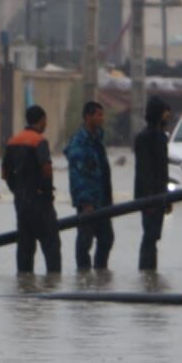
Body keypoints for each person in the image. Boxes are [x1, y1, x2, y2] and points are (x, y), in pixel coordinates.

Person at [2, 104, 61, 274]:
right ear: (42, 120)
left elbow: (5, 173)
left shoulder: (12, 141)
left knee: (25, 247)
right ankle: (53, 286)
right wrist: (47, 192)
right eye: (46, 121)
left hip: (21, 203)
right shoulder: (39, 141)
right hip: (40, 202)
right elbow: (46, 168)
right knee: (51, 246)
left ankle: (24, 286)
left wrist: (16, 190)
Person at [65, 100, 114, 270]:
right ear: (88, 117)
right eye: (99, 115)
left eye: (102, 115)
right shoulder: (80, 143)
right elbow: (77, 175)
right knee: (85, 241)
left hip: (103, 200)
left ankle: (100, 274)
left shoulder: (97, 140)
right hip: (89, 202)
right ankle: (83, 276)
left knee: (107, 238)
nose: (102, 118)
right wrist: (86, 202)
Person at [133, 96, 172, 271]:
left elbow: (163, 171)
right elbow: (144, 171)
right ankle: (145, 271)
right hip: (149, 197)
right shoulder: (145, 137)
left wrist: (167, 198)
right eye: (165, 113)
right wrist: (148, 200)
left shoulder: (161, 137)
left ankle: (150, 274)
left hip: (160, 195)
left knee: (154, 236)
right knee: (149, 236)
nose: (168, 116)